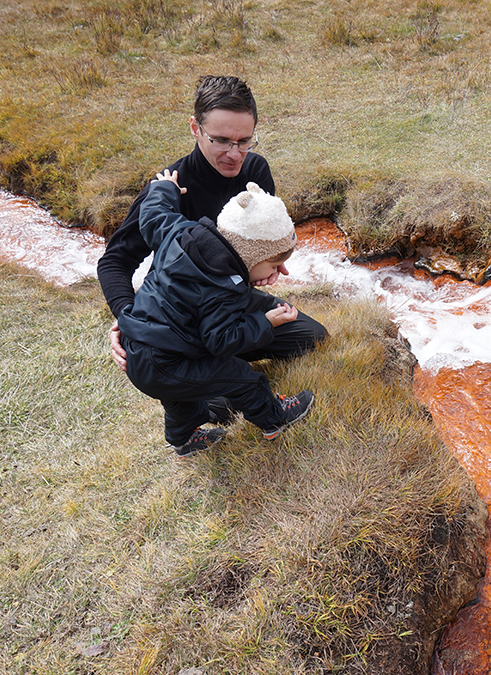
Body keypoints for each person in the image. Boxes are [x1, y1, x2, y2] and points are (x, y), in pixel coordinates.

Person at [97, 75, 326, 423]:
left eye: (244, 140)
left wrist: (267, 267)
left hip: (225, 301)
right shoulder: (168, 187)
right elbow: (114, 262)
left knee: (310, 336)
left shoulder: (255, 170)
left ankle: (211, 372)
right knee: (222, 387)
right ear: (195, 128)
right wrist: (129, 319)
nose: (235, 154)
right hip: (177, 315)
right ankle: (204, 385)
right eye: (221, 140)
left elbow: (260, 245)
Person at [119, 170, 315, 455]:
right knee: (244, 378)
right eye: (274, 265)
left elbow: (153, 215)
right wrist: (264, 323)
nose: (278, 273)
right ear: (251, 255)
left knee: (179, 399)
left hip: (141, 349)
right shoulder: (224, 285)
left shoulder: (181, 231)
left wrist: (165, 188)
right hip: (165, 361)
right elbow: (221, 340)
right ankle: (274, 420)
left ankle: (183, 440)